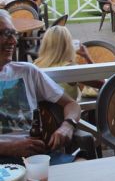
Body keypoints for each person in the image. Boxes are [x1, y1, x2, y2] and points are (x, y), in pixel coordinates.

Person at [0, 10, 81, 163]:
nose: (13, 41)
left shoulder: (27, 71)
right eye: (5, 34)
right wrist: (7, 147)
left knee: (82, 165)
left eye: (13, 34)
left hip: (34, 158)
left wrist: (68, 125)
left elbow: (72, 104)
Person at [33, 26, 101, 99]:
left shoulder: (35, 65)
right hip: (67, 106)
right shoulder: (71, 69)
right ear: (67, 45)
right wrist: (87, 56)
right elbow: (102, 83)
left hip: (42, 106)